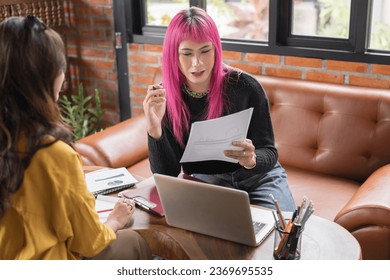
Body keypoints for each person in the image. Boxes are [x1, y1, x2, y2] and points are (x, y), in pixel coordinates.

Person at [0, 15, 152, 260]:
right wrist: (115, 220)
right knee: (134, 242)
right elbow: (90, 242)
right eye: (61, 68)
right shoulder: (53, 154)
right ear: (48, 78)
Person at [143, 7, 295, 212]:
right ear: (174, 56)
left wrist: (252, 160)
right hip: (208, 181)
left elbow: (269, 152)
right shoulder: (165, 98)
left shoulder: (245, 86)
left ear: (216, 49)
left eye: (205, 50)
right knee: (217, 237)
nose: (197, 63)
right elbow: (166, 176)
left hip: (259, 178)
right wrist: (154, 129)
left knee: (282, 232)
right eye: (187, 54)